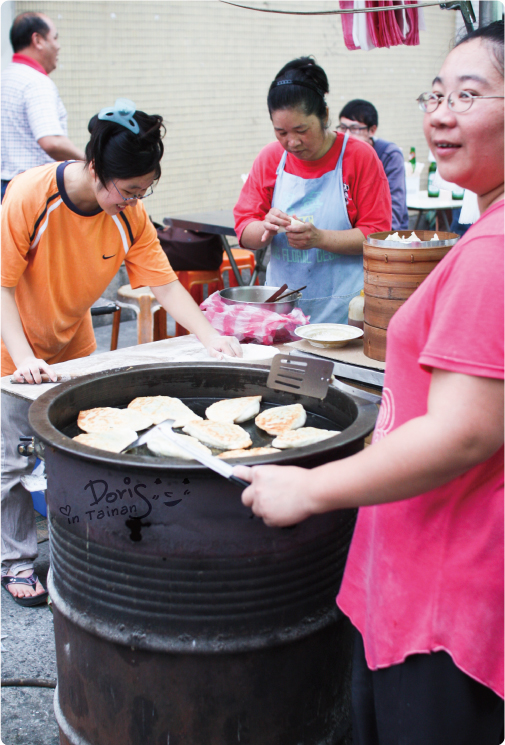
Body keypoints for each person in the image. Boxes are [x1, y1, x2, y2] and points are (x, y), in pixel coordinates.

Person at [235, 21, 504, 744]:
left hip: (440, 594)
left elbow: (466, 429)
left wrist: (309, 487)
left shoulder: (491, 250)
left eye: (468, 94)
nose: (440, 112)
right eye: (436, 92)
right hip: (438, 577)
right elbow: (242, 224)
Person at [1, 98, 241, 606]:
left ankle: (80, 544)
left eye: (144, 189)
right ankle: (15, 561)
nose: (135, 200)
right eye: (129, 189)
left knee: (82, 449)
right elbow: (0, 284)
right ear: (94, 168)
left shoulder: (129, 215)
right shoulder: (30, 195)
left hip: (73, 344)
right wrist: (22, 358)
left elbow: (166, 284)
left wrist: (212, 338)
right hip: (11, 345)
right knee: (10, 464)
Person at [234, 57, 391, 324]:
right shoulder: (270, 159)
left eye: (301, 130)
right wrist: (265, 229)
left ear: (325, 116)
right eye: (280, 132)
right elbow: (244, 231)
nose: (291, 142)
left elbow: (376, 235)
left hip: (345, 313)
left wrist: (319, 238)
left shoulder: (358, 157)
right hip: (281, 313)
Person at [1, 12, 85, 201]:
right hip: (31, 191)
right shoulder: (36, 82)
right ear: (37, 40)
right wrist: (88, 161)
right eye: (55, 38)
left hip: (6, 188)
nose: (58, 46)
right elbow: (52, 142)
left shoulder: (5, 77)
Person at [338, 99, 409, 230]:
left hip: (385, 237)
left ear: (372, 130)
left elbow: (395, 208)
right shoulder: (340, 154)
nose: (346, 134)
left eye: (354, 128)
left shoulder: (389, 154)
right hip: (351, 235)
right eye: (343, 128)